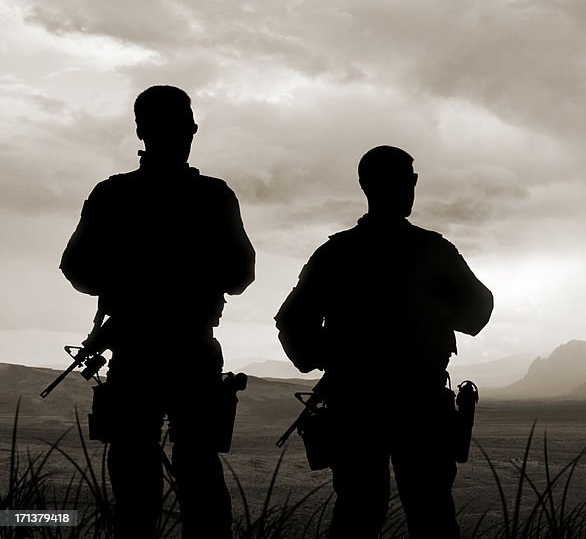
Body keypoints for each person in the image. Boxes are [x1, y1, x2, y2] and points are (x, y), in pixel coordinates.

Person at [60, 85, 256, 539]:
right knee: (200, 473)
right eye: (186, 124)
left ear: (140, 131)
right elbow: (240, 276)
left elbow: (77, 269)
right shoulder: (213, 197)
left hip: (136, 352)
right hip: (192, 349)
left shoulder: (113, 195)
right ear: (189, 131)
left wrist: (124, 282)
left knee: (133, 478)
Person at [275, 145, 493, 539]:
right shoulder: (432, 251)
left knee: (360, 512)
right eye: (407, 179)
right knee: (429, 515)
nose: (410, 187)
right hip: (417, 403)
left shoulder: (336, 253)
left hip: (358, 404)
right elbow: (478, 312)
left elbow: (292, 321)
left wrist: (329, 358)